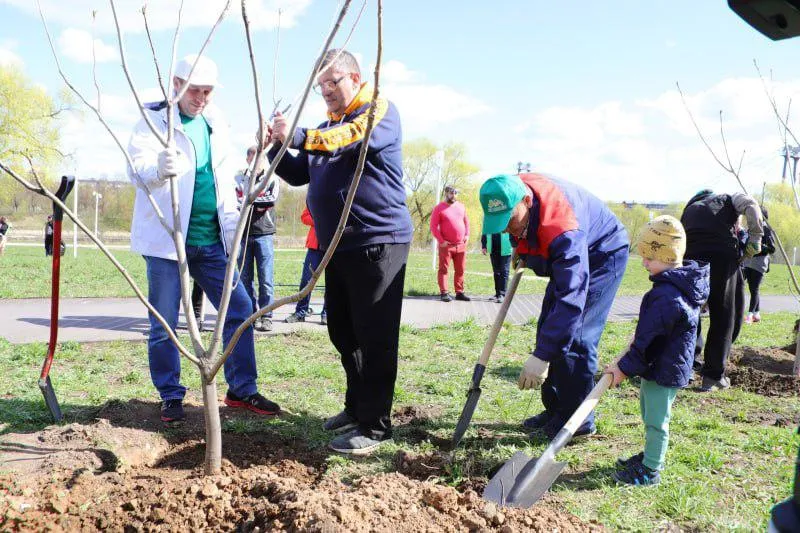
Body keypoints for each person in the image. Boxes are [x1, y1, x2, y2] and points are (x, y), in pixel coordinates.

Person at [268, 48, 413, 454]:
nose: (327, 91)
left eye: (333, 82)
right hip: (339, 246)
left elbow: (341, 141)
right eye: (321, 86)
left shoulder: (376, 111)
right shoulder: (326, 124)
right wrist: (275, 147)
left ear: (355, 76)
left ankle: (376, 425)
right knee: (343, 331)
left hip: (377, 242)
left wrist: (297, 135)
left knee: (375, 335)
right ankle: (356, 408)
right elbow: (299, 171)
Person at [127, 53, 280, 423]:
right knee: (165, 323)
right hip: (169, 242)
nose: (202, 98)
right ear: (177, 85)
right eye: (195, 90)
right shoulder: (153, 120)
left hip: (211, 240)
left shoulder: (216, 122)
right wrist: (157, 170)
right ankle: (170, 394)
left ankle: (241, 389)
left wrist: (259, 157)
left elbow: (224, 177)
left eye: (208, 91)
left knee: (241, 311)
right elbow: (135, 170)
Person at [478, 172, 629, 440]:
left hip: (602, 252)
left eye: (510, 223)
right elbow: (522, 226)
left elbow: (571, 299)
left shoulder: (563, 229)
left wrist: (543, 356)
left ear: (526, 201)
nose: (507, 231)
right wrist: (521, 245)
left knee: (576, 336)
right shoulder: (505, 190)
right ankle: (557, 409)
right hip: (570, 244)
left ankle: (578, 421)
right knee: (550, 326)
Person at [604, 216, 709, 486]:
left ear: (667, 255)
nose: (644, 262)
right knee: (648, 412)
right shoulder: (671, 288)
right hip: (659, 365)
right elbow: (647, 336)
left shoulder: (668, 296)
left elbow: (648, 342)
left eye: (650, 257)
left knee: (656, 420)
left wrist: (623, 368)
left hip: (664, 368)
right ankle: (650, 455)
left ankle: (651, 470)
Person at [680, 189, 763, 392]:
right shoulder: (730, 198)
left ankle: (686, 369)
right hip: (722, 257)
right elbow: (751, 205)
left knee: (691, 313)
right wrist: (755, 237)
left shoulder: (689, 209)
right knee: (725, 315)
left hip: (690, 258)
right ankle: (713, 376)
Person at [236, 145, 279, 332]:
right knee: (244, 278)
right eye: (254, 158)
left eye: (260, 159)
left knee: (266, 279)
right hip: (243, 235)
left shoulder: (272, 178)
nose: (257, 162)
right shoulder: (238, 178)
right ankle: (250, 315)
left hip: (264, 234)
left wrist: (248, 200)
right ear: (247, 159)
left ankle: (266, 315)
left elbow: (270, 201)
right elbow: (235, 201)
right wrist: (251, 201)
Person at [286, 206, 328, 325]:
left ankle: (327, 314)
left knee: (332, 282)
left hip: (333, 246)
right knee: (306, 280)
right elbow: (304, 217)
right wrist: (320, 221)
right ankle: (301, 312)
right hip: (314, 247)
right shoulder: (314, 196)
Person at [430, 185, 471, 302]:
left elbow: (466, 223)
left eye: (455, 193)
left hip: (461, 245)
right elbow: (433, 226)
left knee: (461, 270)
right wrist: (441, 241)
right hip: (446, 246)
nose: (454, 195)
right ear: (446, 194)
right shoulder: (439, 208)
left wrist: (467, 235)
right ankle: (444, 293)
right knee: (444, 269)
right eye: (451, 193)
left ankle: (459, 292)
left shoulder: (461, 207)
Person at [742, 206, 776, 324]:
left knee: (754, 289)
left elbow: (772, 249)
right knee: (752, 289)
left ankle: (750, 315)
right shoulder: (751, 229)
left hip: (759, 262)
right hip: (748, 261)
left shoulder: (767, 230)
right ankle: (757, 314)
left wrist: (759, 247)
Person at [481, 231, 513, 302]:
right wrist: (484, 245)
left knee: (504, 271)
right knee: (496, 272)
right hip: (493, 248)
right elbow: (485, 231)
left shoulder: (506, 219)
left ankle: (502, 294)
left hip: (506, 248)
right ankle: (497, 294)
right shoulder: (490, 219)